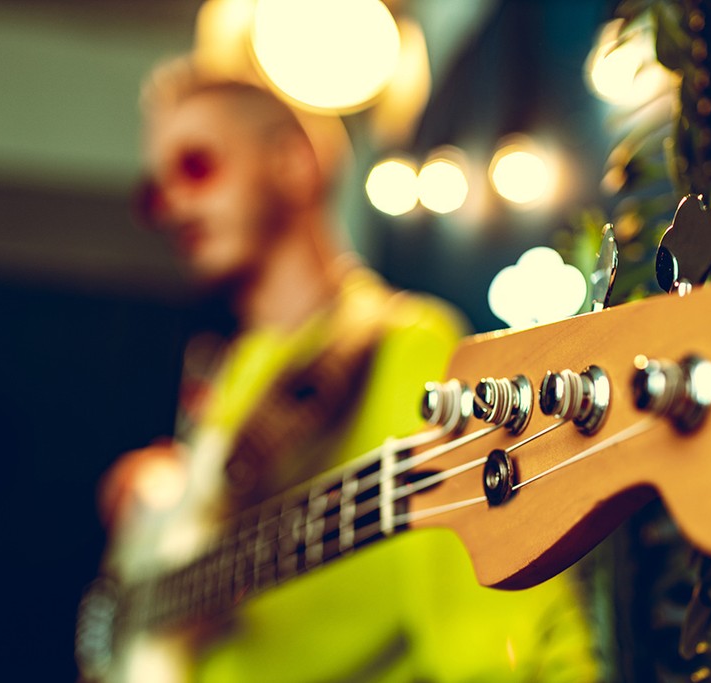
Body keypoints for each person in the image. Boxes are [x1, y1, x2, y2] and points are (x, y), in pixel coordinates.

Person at [93, 54, 598, 683]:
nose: (171, 205)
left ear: (294, 164)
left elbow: (497, 641)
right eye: (154, 189)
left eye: (197, 167)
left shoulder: (404, 345)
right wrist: (153, 504)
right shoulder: (232, 374)